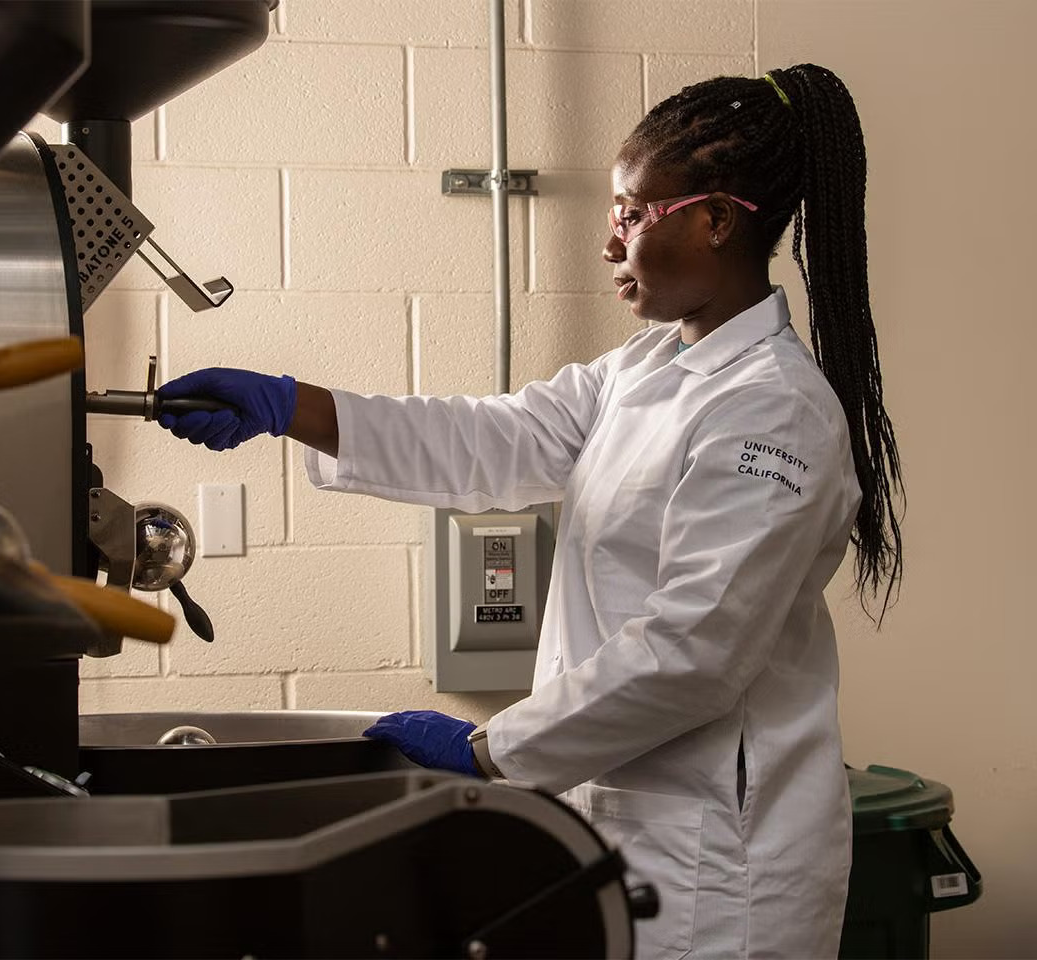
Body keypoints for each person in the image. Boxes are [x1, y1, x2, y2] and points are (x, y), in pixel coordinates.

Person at [154, 64, 903, 959]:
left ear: (713, 219)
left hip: (721, 873)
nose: (610, 242)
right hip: (627, 835)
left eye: (632, 213)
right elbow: (493, 438)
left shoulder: (772, 411)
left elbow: (694, 652)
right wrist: (293, 406)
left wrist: (487, 751)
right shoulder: (643, 371)